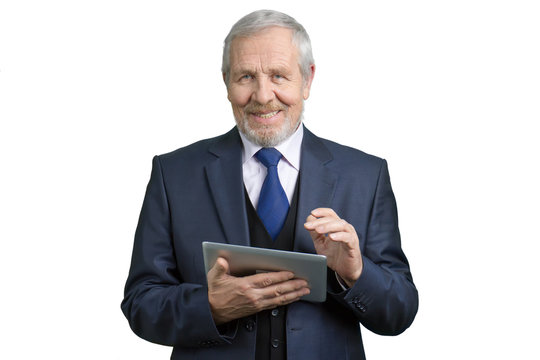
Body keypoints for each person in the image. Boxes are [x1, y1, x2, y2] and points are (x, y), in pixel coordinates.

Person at [121, 9, 418, 360]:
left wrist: (355, 273)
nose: (263, 96)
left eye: (279, 76)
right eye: (246, 77)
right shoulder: (174, 174)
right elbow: (141, 303)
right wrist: (210, 306)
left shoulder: (366, 175)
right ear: (225, 81)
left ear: (307, 80)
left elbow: (399, 311)